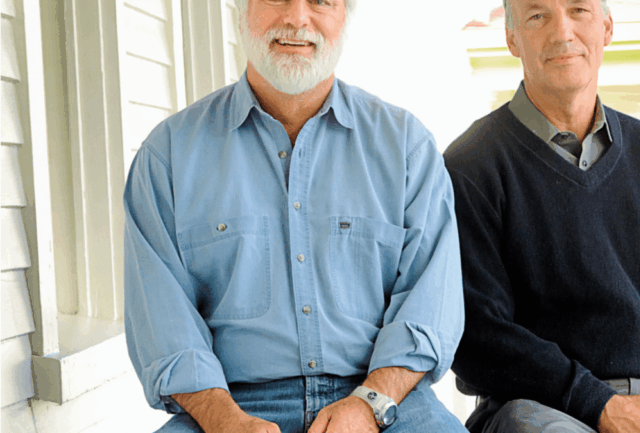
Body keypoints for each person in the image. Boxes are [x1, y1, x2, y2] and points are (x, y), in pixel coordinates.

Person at [123, 1, 467, 432]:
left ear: (346, 14)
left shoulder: (406, 149)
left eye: (321, 1)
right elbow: (163, 324)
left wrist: (368, 403)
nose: (297, 18)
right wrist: (225, 420)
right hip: (230, 406)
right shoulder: (168, 157)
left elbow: (430, 307)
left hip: (383, 401)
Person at [444, 0, 640, 432]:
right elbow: (478, 335)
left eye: (579, 10)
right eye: (537, 15)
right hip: (542, 409)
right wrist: (600, 404)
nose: (563, 32)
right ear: (511, 38)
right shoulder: (471, 164)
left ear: (607, 28)